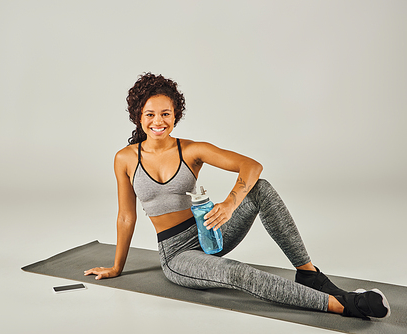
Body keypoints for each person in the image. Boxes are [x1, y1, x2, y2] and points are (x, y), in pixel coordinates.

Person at [84, 73, 390, 319]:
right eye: (150, 114)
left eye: (166, 113)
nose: (158, 121)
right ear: (138, 115)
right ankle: (343, 305)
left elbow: (251, 166)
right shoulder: (124, 158)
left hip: (209, 233)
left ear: (176, 114)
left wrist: (230, 203)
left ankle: (308, 274)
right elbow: (126, 215)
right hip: (178, 254)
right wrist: (116, 267)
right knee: (237, 273)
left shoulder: (191, 150)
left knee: (261, 188)